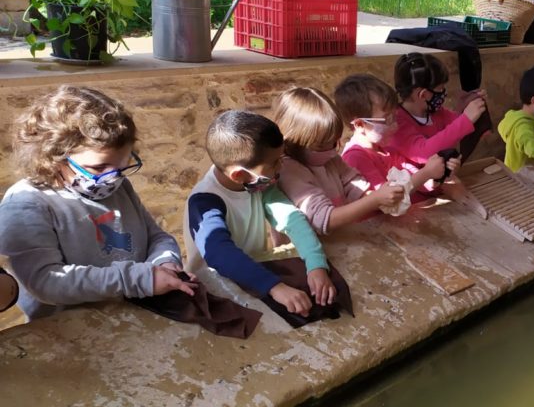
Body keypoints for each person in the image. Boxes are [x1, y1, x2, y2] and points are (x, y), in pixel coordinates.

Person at [0, 86, 196, 320]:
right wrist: (138, 279)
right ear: (54, 157)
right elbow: (45, 283)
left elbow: (157, 237)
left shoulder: (119, 187)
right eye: (98, 167)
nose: (112, 178)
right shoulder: (26, 204)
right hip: (69, 330)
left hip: (132, 319)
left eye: (122, 166)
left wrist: (164, 262)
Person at [185, 110, 335, 318]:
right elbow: (220, 254)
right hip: (215, 289)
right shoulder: (204, 202)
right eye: (274, 163)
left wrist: (316, 264)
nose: (281, 166)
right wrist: (275, 287)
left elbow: (292, 219)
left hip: (253, 277)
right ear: (239, 175)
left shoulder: (256, 184)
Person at [273, 86, 405, 233]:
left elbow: (353, 184)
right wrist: (374, 200)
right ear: (292, 141)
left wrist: (379, 197)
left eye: (334, 143)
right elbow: (324, 220)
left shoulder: (331, 159)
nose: (331, 152)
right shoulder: (289, 171)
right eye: (322, 145)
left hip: (341, 240)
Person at [337, 74, 455, 198]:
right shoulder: (355, 158)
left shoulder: (386, 148)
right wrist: (426, 173)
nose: (395, 126)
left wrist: (438, 175)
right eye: (387, 119)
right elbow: (386, 200)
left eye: (395, 117)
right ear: (360, 124)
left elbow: (414, 177)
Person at [389, 52, 490, 166]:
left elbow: (458, 122)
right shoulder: (395, 124)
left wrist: (471, 102)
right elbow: (423, 153)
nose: (444, 93)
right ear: (423, 94)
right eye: (440, 89)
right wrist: (466, 120)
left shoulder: (435, 112)